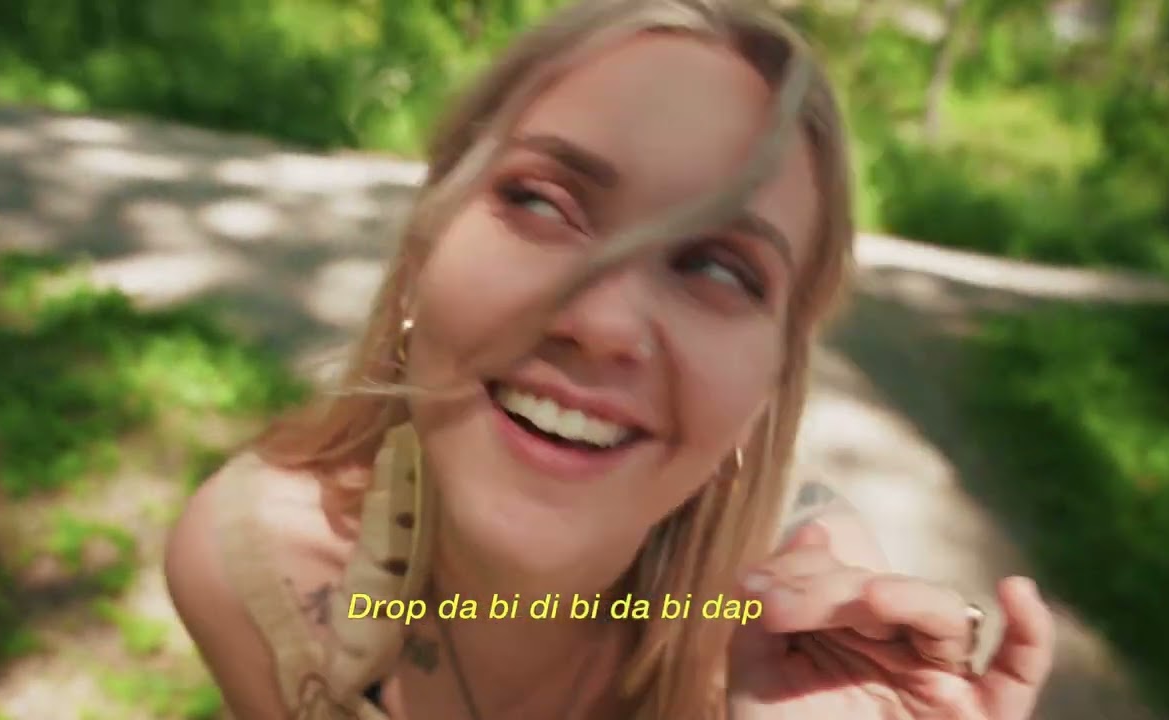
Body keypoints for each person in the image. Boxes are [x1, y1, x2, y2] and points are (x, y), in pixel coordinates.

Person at [164, 1, 1056, 718]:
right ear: (425, 246)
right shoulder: (255, 573)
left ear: (770, 388)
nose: (601, 323)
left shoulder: (809, 664)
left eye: (719, 269)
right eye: (542, 204)